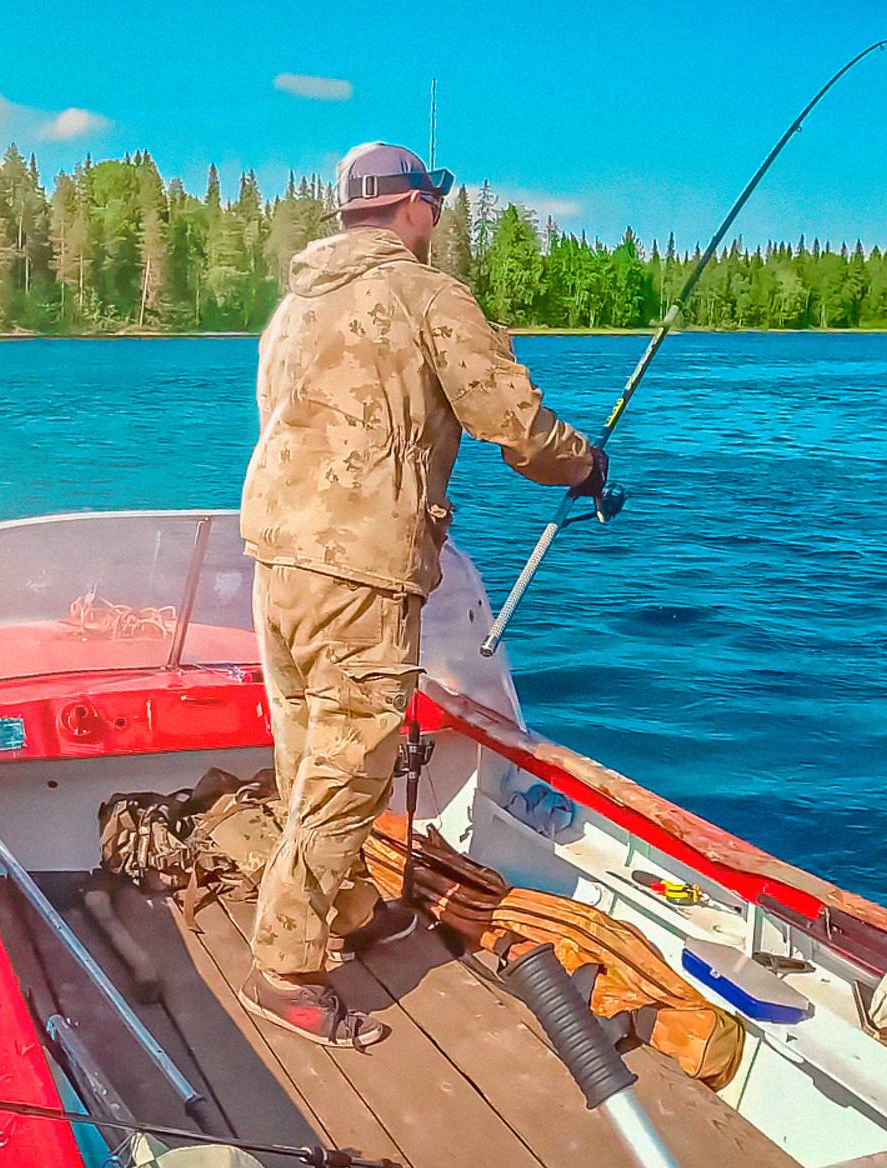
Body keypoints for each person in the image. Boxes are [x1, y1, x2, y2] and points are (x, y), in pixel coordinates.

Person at [237, 141, 608, 1047]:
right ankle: (284, 969)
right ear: (410, 207)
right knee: (351, 763)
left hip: (275, 565)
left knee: (307, 751)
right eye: (433, 202)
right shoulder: (426, 295)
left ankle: (353, 905)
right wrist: (586, 462)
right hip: (360, 572)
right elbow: (510, 421)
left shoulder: (291, 310)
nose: (437, 218)